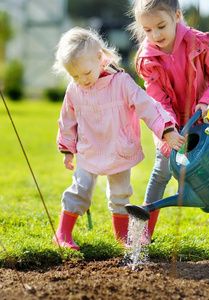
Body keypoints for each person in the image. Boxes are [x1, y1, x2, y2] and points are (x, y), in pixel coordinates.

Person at [52, 27, 185, 250]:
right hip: (89, 149)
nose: (82, 80)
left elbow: (148, 107)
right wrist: (67, 149)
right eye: (74, 75)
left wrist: (167, 131)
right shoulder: (74, 90)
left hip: (120, 148)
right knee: (80, 189)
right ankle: (63, 234)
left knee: (121, 194)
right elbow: (67, 121)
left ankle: (122, 238)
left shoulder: (122, 83)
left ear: (99, 58)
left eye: (86, 73)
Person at [127, 0, 209, 247]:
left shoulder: (199, 43)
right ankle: (143, 233)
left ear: (177, 16)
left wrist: (208, 101)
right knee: (160, 172)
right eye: (147, 30)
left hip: (205, 121)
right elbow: (157, 100)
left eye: (161, 26)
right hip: (169, 126)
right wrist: (168, 131)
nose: (155, 35)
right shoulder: (147, 59)